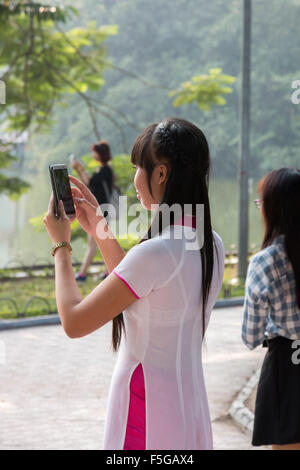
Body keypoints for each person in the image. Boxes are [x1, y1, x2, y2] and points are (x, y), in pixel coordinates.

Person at [43, 117, 226, 450]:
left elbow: (74, 321)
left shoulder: (156, 252)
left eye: (138, 168)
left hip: (146, 411)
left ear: (161, 173)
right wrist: (98, 226)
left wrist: (61, 246)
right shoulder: (210, 243)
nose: (135, 179)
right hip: (188, 408)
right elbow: (137, 292)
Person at [242, 168, 300, 450]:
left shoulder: (265, 262)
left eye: (260, 202)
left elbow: (250, 337)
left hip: (286, 371)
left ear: (274, 208)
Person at [71, 141, 114, 282]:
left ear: (100, 153)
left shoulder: (105, 170)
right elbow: (89, 185)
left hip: (102, 210)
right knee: (99, 241)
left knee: (94, 242)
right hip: (100, 209)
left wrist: (80, 168)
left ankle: (83, 273)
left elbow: (89, 184)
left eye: (94, 151)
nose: (92, 154)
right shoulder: (102, 170)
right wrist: (78, 169)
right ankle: (108, 271)